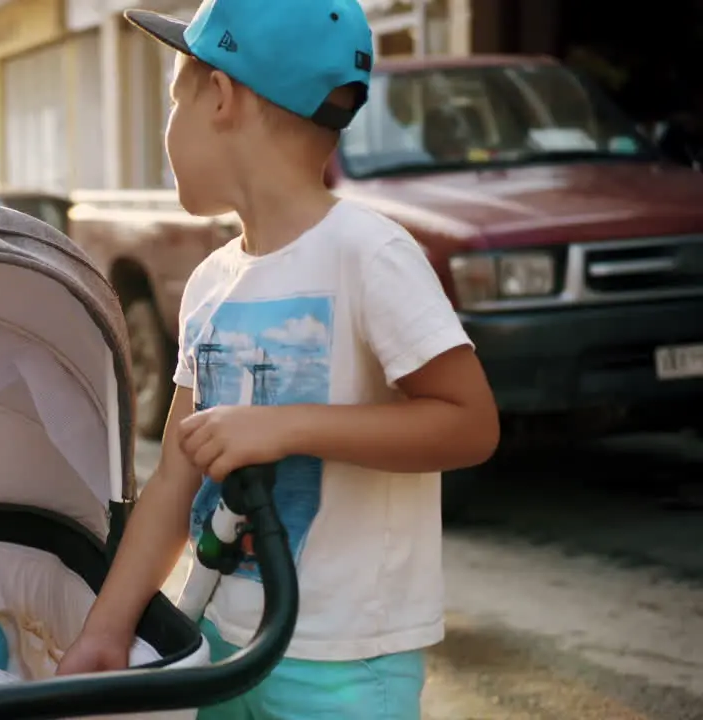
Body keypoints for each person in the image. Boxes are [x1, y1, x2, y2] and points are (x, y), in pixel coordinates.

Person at [55, 1, 500, 719]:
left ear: (221, 98)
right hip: (221, 646)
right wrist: (108, 628)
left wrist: (287, 427)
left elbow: (469, 424)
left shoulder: (371, 254)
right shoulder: (209, 282)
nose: (168, 126)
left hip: (344, 665)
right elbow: (176, 472)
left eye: (176, 99)